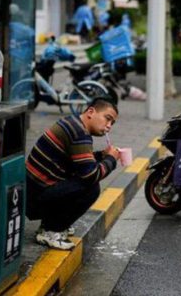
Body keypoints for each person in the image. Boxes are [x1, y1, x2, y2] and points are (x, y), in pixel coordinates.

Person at [26, 97, 120, 250]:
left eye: (112, 123)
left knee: (82, 178)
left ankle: (49, 224)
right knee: (91, 188)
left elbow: (79, 162)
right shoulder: (79, 133)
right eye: (107, 119)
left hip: (34, 190)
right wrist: (111, 160)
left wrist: (101, 156)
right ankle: (51, 230)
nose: (108, 126)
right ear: (91, 112)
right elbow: (91, 175)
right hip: (35, 198)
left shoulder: (74, 122)